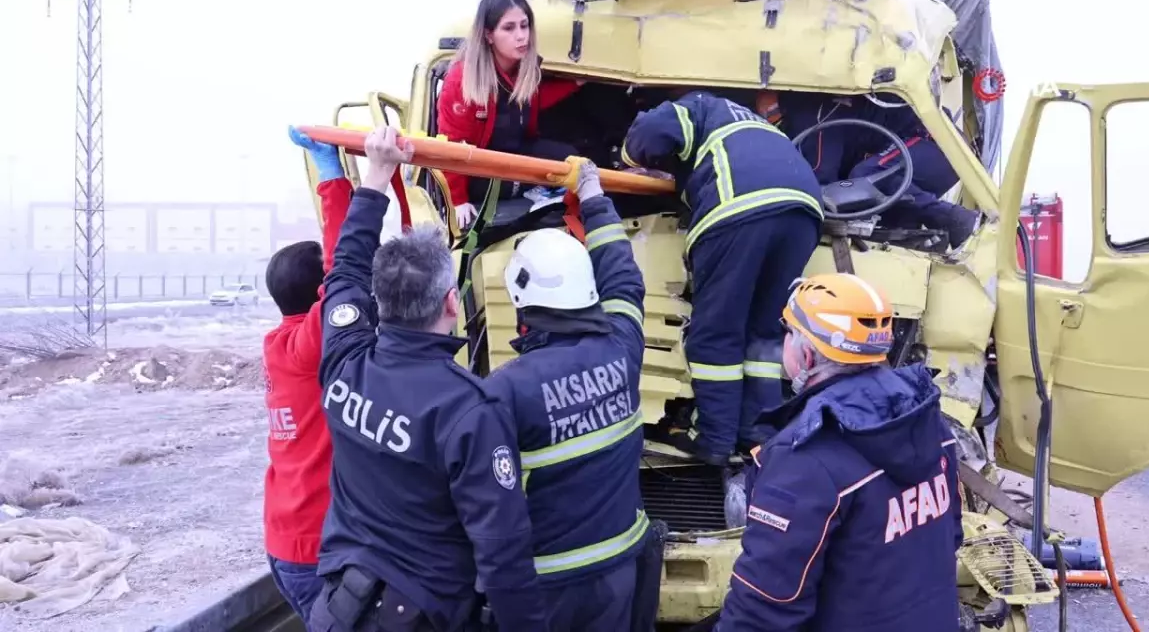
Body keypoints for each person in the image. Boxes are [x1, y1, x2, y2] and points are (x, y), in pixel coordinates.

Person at [307, 125, 547, 632]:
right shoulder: (468, 411)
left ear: (379, 304)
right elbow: (503, 554)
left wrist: (376, 177)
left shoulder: (346, 361)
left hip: (337, 610)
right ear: (451, 303)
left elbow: (346, 271)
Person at [714, 273, 963, 632]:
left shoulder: (803, 459)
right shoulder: (926, 420)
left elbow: (764, 608)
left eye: (790, 332)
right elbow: (949, 536)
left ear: (808, 353)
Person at [483, 158, 648, 631]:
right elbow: (623, 277)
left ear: (522, 302)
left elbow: (487, 506)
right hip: (620, 567)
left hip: (549, 587)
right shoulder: (622, 347)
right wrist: (593, 195)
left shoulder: (506, 389)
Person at [620, 90, 824, 467]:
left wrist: (629, 158)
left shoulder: (697, 107)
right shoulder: (755, 125)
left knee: (716, 333)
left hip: (740, 207)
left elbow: (651, 131)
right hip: (804, 211)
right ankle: (757, 433)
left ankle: (714, 439)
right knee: (763, 333)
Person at [259, 127, 354, 626]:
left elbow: (333, 278)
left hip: (287, 540)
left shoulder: (279, 345)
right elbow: (344, 269)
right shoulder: (306, 348)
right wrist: (332, 180)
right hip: (312, 551)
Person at [437, 0, 584, 229]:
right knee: (502, 184)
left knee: (571, 158)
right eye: (509, 28)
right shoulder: (462, 79)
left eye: (524, 26)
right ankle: (530, 190)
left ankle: (541, 190)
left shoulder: (525, 69)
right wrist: (457, 200)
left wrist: (575, 83)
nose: (521, 36)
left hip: (518, 150)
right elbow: (450, 143)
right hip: (480, 162)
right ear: (489, 35)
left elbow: (534, 99)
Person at [763, 90, 980, 248]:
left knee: (866, 177)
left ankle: (954, 219)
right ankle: (916, 238)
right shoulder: (817, 110)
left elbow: (820, 178)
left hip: (939, 143)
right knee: (867, 191)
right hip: (930, 154)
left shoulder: (813, 115)